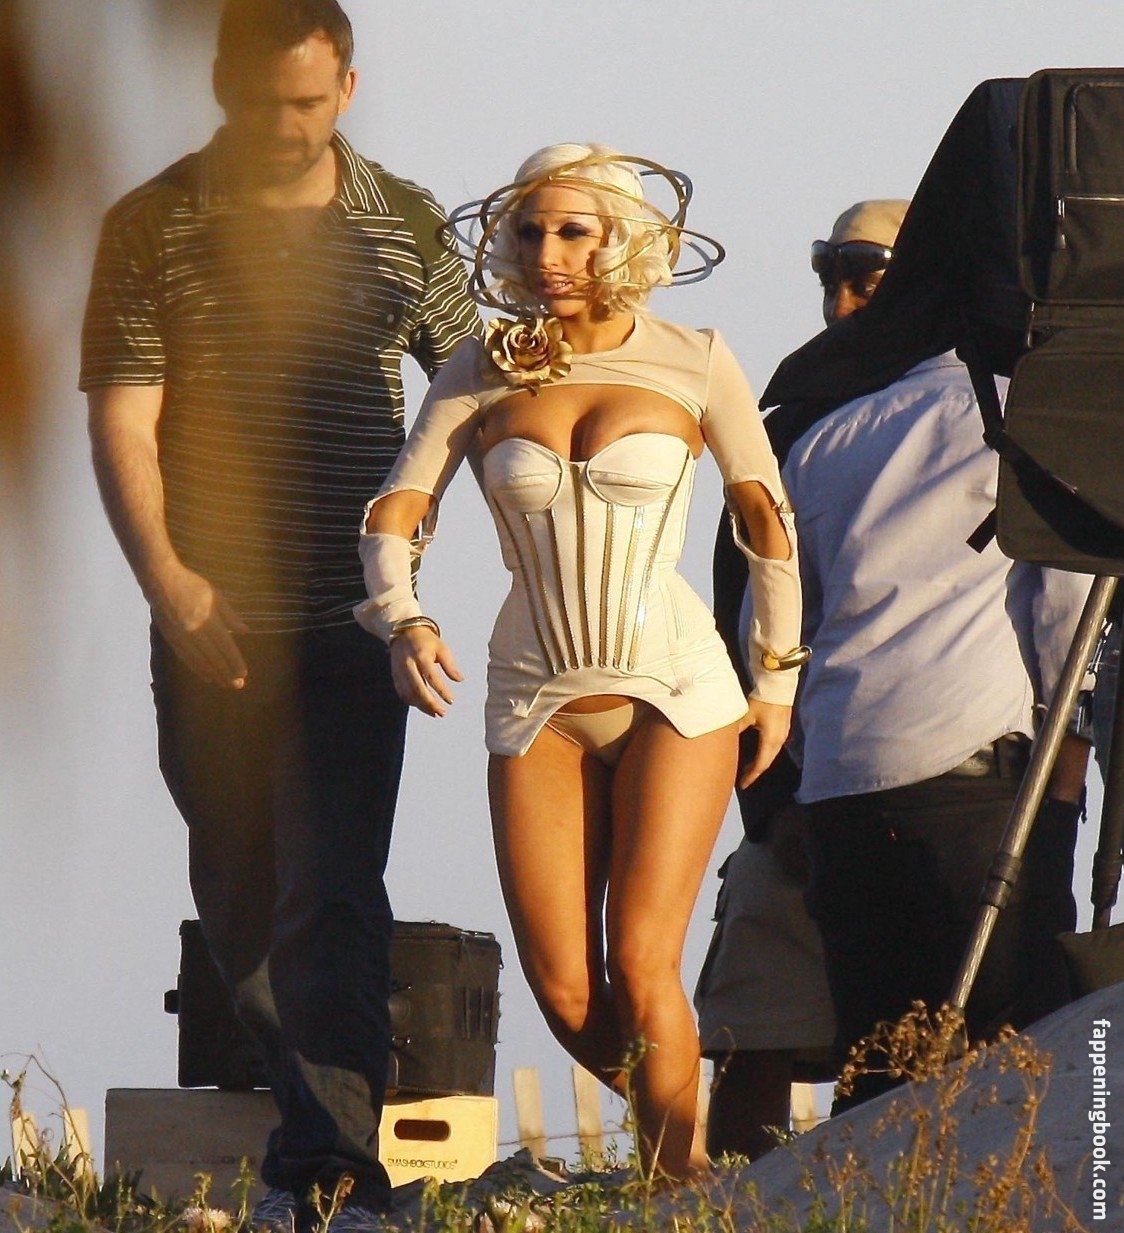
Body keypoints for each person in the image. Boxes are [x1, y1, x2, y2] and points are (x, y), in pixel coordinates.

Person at [79, 2, 479, 1227]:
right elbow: (122, 417)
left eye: (307, 101)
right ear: (220, 88)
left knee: (336, 889)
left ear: (346, 87)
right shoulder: (150, 223)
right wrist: (169, 582)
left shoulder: (405, 222)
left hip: (352, 620)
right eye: (262, 103)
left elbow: (473, 391)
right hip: (213, 625)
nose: (286, 124)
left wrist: (409, 559)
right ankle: (313, 1118)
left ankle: (336, 1170)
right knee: (241, 893)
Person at [354, 142, 805, 1178]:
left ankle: (675, 1191)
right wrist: (404, 620)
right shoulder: (480, 365)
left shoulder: (695, 357)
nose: (547, 253)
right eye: (530, 231)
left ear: (626, 239)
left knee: (642, 960)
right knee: (564, 989)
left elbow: (764, 520)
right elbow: (393, 513)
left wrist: (775, 679)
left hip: (677, 691)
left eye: (573, 231)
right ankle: (705, 1152)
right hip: (534, 699)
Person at [782, 349, 1090, 1112]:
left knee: (876, 1065)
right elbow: (1068, 616)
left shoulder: (825, 439)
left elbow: (785, 627)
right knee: (1018, 1057)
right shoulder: (1029, 419)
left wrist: (811, 753)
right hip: (973, 769)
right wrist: (1069, 776)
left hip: (841, 779)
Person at [695, 199, 909, 1159]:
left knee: (928, 1045)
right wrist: (770, 805)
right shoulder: (787, 426)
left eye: (867, 281)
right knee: (755, 1015)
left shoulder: (986, 414)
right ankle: (744, 1209)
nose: (840, 307)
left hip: (945, 784)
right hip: (801, 789)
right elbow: (734, 625)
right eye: (831, 281)